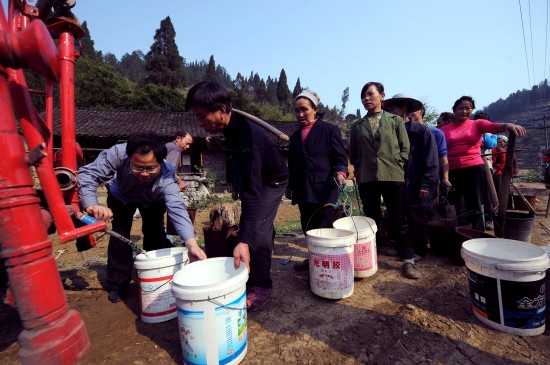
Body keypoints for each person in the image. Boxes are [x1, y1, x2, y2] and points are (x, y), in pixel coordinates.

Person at [185, 80, 288, 312]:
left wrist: (243, 240)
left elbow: (253, 194)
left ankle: (262, 285)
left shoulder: (248, 138)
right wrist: (219, 143)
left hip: (272, 181)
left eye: (202, 117)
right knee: (256, 226)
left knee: (256, 231)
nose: (200, 124)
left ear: (222, 110)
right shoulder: (230, 128)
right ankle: (257, 256)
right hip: (254, 180)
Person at [78, 131, 206, 303]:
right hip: (121, 196)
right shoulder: (118, 153)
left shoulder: (167, 176)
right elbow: (88, 175)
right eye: (138, 167)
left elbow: (177, 207)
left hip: (153, 200)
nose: (144, 173)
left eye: (151, 168)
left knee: (154, 232)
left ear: (160, 163)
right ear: (129, 157)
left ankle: (154, 276)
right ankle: (118, 283)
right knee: (120, 234)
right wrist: (91, 204)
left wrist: (191, 244)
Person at [349, 82, 415, 279]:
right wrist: (359, 169)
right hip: (367, 177)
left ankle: (408, 259)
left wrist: (396, 162)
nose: (366, 98)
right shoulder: (357, 126)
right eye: (363, 96)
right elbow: (353, 153)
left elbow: (405, 148)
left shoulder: (395, 121)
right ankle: (372, 255)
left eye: (370, 94)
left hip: (392, 174)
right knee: (371, 219)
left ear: (382, 96)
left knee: (398, 217)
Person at [441, 96, 526, 231]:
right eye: (461, 108)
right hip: (452, 170)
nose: (464, 111)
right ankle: (458, 232)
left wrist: (507, 125)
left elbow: (494, 126)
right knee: (455, 202)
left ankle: (477, 234)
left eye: (468, 108)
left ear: (472, 110)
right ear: (454, 110)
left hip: (474, 168)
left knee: (475, 202)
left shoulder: (477, 124)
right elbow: (441, 151)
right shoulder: (445, 130)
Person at [287, 89, 348, 271]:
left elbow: (340, 157)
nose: (300, 114)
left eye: (304, 109)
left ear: (315, 109)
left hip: (324, 188)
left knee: (324, 227)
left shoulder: (329, 130)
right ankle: (313, 259)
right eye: (297, 110)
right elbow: (293, 163)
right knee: (308, 226)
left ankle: (325, 265)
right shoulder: (295, 136)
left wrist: (341, 172)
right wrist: (290, 185)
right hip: (303, 189)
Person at [384, 94, 438, 269]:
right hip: (396, 182)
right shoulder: (389, 132)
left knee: (417, 217)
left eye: (395, 109)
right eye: (389, 110)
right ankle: (402, 248)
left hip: (416, 182)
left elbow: (430, 160)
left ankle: (420, 250)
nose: (392, 113)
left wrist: (425, 184)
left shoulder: (421, 132)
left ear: (405, 110)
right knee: (398, 218)